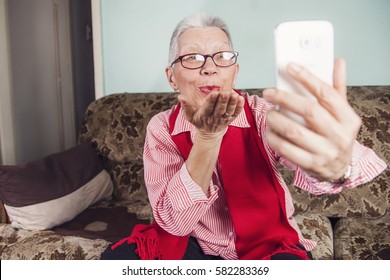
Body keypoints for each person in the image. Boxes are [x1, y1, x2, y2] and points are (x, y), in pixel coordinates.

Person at [101, 13, 386, 260]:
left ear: (234, 73)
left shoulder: (263, 114)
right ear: (171, 77)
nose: (209, 67)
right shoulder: (161, 128)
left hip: (270, 247)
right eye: (192, 57)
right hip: (195, 246)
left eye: (222, 56)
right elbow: (174, 224)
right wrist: (207, 137)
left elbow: (316, 157)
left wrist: (338, 167)